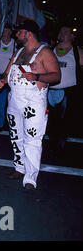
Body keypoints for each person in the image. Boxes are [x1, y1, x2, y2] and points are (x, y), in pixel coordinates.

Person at [0, 20, 60, 190]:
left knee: (32, 139)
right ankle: (19, 168)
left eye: (19, 32)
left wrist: (37, 77)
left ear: (29, 34)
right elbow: (7, 71)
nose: (16, 35)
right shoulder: (18, 52)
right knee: (16, 135)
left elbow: (56, 76)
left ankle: (30, 177)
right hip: (14, 100)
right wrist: (3, 79)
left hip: (33, 101)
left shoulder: (44, 52)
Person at [47, 25, 82, 155]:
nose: (62, 33)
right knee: (51, 119)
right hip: (51, 90)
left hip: (68, 91)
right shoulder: (51, 50)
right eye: (60, 31)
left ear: (72, 37)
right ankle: (52, 143)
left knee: (64, 120)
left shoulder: (77, 52)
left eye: (65, 32)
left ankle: (60, 147)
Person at [0, 25, 17, 134]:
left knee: (14, 103)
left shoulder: (16, 44)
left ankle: (14, 125)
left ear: (10, 32)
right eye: (3, 31)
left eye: (7, 31)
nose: (4, 33)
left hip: (12, 78)